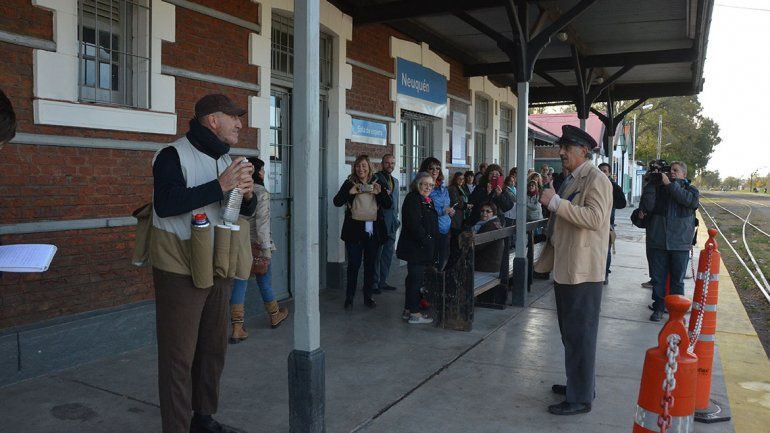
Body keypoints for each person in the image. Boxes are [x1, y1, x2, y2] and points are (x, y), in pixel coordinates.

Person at [151, 94, 256, 433]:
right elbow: (166, 203)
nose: (239, 124)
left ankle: (203, 417)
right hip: (179, 267)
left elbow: (236, 210)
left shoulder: (225, 159)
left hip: (218, 263)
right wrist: (220, 185)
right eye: (233, 117)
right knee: (178, 356)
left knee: (213, 348)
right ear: (212, 120)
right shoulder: (172, 155)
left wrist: (247, 196)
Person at [534, 125, 612, 416]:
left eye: (567, 148)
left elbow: (594, 218)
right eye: (561, 147)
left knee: (580, 336)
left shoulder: (597, 180)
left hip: (583, 272)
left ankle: (580, 398)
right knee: (571, 334)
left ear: (584, 151)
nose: (561, 152)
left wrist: (555, 202)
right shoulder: (572, 178)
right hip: (567, 268)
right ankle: (579, 385)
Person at [229, 158, 288, 344]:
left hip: (238, 243)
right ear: (256, 171)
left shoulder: (235, 190)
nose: (263, 173)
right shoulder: (261, 192)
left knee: (239, 284)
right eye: (262, 170)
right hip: (257, 245)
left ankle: (237, 327)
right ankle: (274, 315)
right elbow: (262, 224)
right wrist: (266, 251)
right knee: (264, 281)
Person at [638, 160, 699, 321]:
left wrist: (670, 185)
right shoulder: (658, 188)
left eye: (676, 170)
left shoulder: (691, 190)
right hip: (658, 241)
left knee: (677, 281)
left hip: (680, 243)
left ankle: (676, 312)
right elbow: (647, 206)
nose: (672, 172)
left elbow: (690, 202)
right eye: (670, 170)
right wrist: (652, 182)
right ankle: (658, 308)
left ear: (684, 174)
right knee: (658, 279)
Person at [333, 154, 392, 309]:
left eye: (364, 166)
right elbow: (337, 202)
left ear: (369, 167)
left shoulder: (377, 182)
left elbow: (388, 205)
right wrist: (350, 192)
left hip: (370, 226)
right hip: (354, 227)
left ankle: (368, 297)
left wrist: (380, 193)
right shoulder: (349, 183)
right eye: (358, 166)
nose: (361, 169)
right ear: (355, 168)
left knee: (370, 264)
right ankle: (349, 298)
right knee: (353, 264)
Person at [396, 172, 438, 324]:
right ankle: (415, 314)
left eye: (431, 185)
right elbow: (414, 225)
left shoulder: (426, 199)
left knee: (413, 279)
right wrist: (427, 239)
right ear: (417, 184)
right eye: (424, 184)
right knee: (415, 280)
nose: (428, 187)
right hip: (415, 248)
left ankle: (408, 310)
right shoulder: (413, 199)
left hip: (422, 247)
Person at [419, 157, 455, 270]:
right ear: (425, 170)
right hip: (433, 228)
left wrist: (450, 211)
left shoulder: (443, 187)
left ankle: (439, 278)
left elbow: (447, 204)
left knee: (443, 259)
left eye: (438, 168)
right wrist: (443, 211)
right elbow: (425, 210)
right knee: (431, 261)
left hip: (445, 227)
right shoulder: (424, 188)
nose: (435, 171)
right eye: (431, 168)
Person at [373, 154, 400, 293]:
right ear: (382, 163)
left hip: (392, 223)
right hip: (380, 223)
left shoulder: (395, 181)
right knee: (376, 254)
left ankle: (383, 281)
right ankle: (374, 283)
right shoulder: (375, 179)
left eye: (392, 163)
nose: (390, 165)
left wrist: (397, 219)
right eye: (387, 163)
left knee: (388, 255)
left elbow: (396, 203)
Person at [598, 163, 627, 285]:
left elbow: (622, 203)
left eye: (605, 171)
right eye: (600, 170)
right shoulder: (592, 184)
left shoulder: (614, 186)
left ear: (609, 173)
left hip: (608, 224)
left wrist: (610, 202)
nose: (602, 173)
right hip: (593, 222)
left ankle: (604, 274)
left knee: (606, 251)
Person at [471, 202, 504, 272]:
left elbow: (477, 246)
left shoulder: (490, 225)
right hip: (492, 263)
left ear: (493, 213)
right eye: (482, 211)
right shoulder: (495, 222)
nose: (484, 213)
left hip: (486, 265)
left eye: (488, 211)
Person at [448, 171, 469, 254]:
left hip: (462, 216)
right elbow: (455, 202)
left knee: (461, 239)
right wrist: (466, 205)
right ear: (455, 179)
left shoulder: (462, 187)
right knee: (455, 239)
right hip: (455, 216)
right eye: (459, 179)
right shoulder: (453, 188)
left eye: (463, 179)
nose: (461, 180)